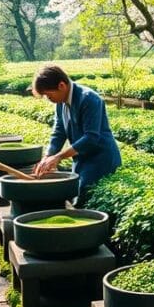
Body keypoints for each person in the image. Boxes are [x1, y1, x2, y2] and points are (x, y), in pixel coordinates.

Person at [31, 64, 122, 203]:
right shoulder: (60, 102)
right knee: (72, 192)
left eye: (49, 95)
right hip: (81, 159)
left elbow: (91, 138)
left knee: (80, 196)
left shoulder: (89, 99)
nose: (49, 99)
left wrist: (58, 157)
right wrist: (48, 157)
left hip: (100, 159)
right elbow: (59, 131)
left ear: (61, 85)